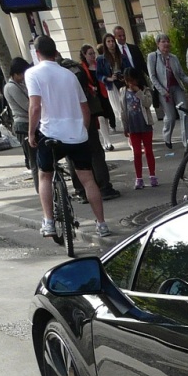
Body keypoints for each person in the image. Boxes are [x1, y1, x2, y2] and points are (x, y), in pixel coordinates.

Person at [25, 35, 109, 239]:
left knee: (44, 175)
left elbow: (35, 107)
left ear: (37, 54)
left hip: (50, 134)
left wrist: (30, 133)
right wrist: (82, 129)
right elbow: (85, 108)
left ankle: (49, 221)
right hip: (76, 135)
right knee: (88, 179)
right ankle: (101, 224)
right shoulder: (69, 75)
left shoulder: (32, 73)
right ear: (55, 53)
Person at [59, 51, 121, 201]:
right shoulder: (75, 69)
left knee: (72, 156)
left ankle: (81, 191)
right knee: (95, 152)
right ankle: (104, 187)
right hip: (86, 115)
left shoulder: (57, 73)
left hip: (68, 119)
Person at [147, 32, 188, 153]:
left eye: (167, 41)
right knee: (170, 117)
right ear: (158, 44)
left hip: (176, 88)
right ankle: (167, 137)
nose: (166, 44)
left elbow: (182, 76)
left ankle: (186, 141)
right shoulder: (152, 57)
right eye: (163, 41)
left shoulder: (173, 58)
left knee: (184, 113)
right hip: (164, 90)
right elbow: (152, 77)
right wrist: (163, 91)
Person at [119, 68, 157, 189]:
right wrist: (125, 126)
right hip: (132, 126)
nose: (131, 83)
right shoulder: (123, 91)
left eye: (133, 80)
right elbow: (123, 110)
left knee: (149, 151)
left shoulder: (145, 90)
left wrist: (139, 92)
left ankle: (152, 176)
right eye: (128, 81)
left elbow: (148, 103)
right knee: (136, 153)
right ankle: (139, 178)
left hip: (145, 125)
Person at [79, 44, 116, 150]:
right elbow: (84, 82)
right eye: (90, 54)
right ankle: (108, 142)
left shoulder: (98, 64)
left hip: (103, 92)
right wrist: (91, 87)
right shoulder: (82, 67)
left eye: (93, 53)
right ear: (84, 55)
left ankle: (105, 141)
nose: (93, 55)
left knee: (105, 118)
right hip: (92, 96)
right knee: (100, 118)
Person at [3, 57, 34, 177]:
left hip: (29, 121)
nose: (24, 76)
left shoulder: (21, 84)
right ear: (15, 73)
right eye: (22, 74)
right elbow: (26, 105)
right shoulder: (11, 87)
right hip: (23, 123)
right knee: (34, 161)